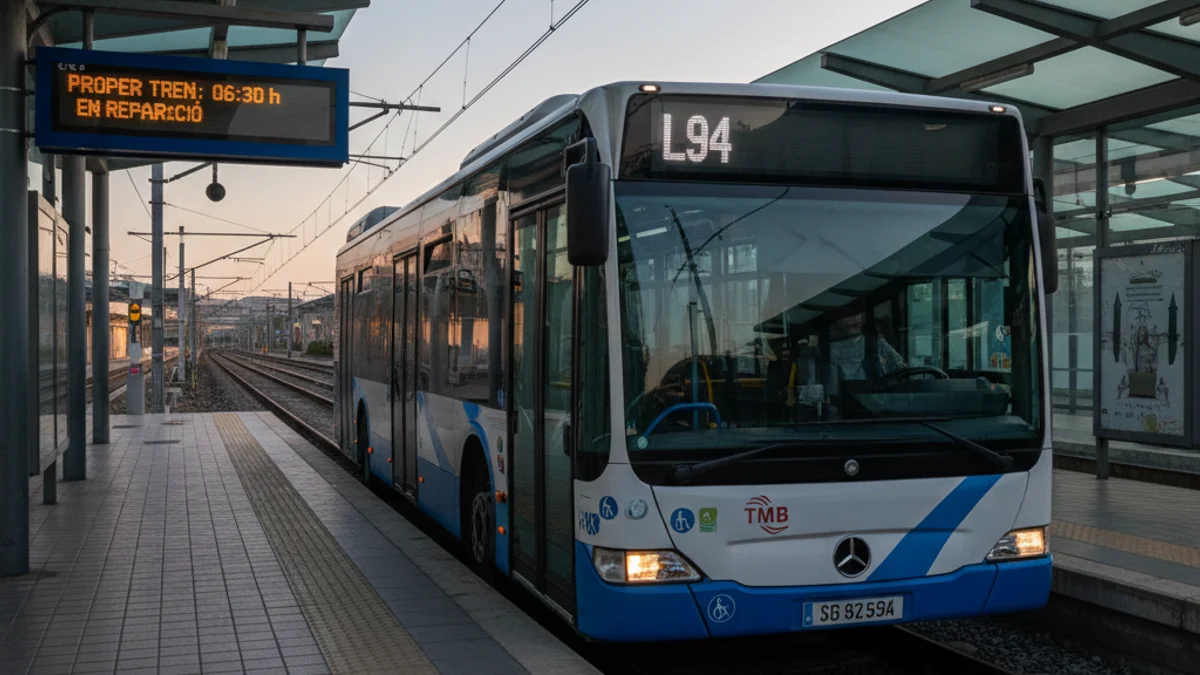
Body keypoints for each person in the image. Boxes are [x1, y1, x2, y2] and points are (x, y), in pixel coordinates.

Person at [825, 313, 906, 381]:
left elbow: (900, 368)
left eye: (856, 313)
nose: (853, 318)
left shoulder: (877, 344)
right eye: (846, 314)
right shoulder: (830, 350)